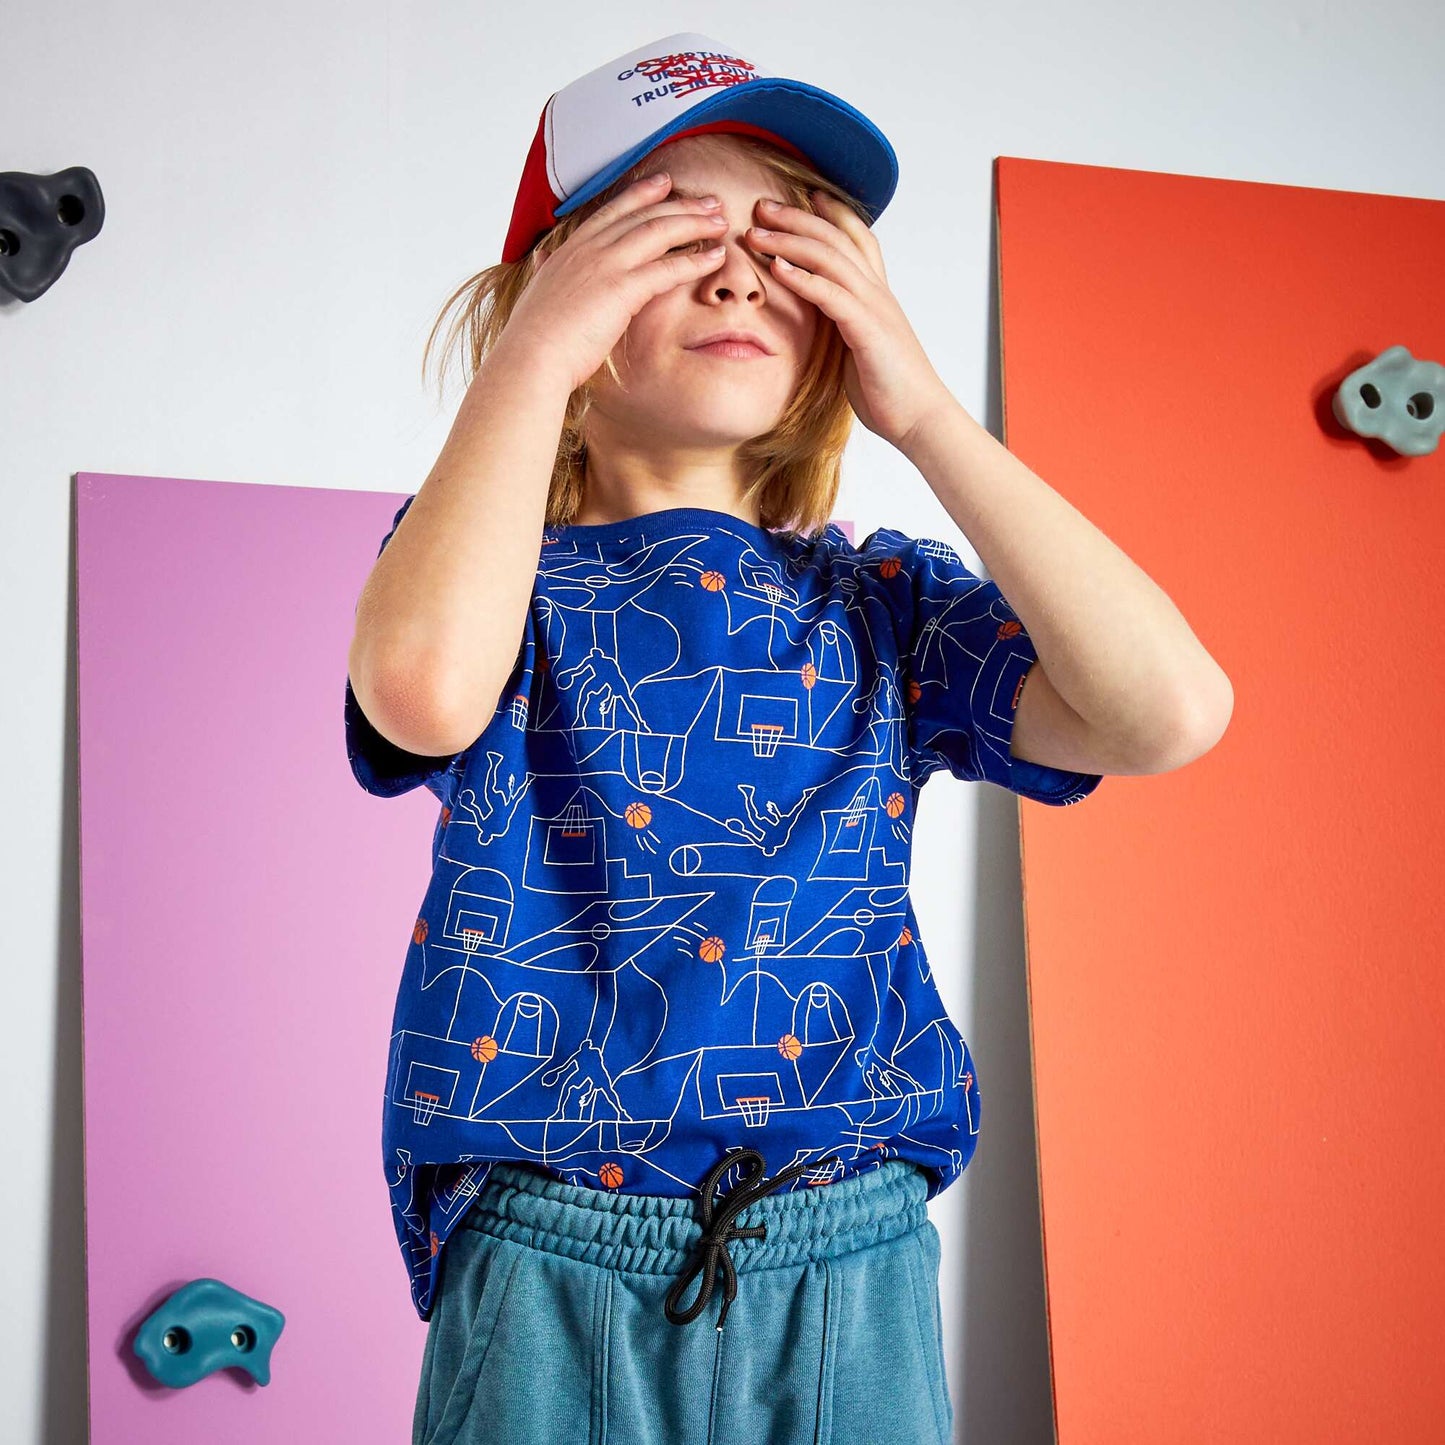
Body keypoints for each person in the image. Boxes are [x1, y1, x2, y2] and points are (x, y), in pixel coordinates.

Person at [345, 28, 1218, 1445]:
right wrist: (532, 354)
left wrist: (926, 410)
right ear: (550, 285)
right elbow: (422, 692)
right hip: (550, 1248)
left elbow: (1166, 710)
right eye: (665, 226)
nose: (739, 267)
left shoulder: (883, 603)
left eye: (793, 235)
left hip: (847, 1257)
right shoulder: (496, 576)